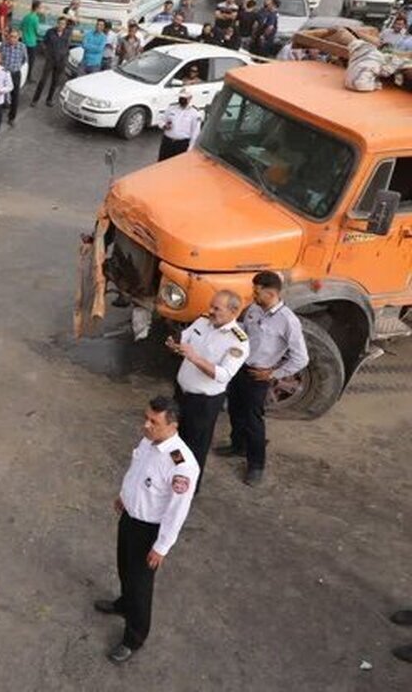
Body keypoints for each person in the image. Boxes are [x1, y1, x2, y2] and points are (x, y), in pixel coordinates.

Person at [94, 395, 198, 664]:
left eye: (154, 421)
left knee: (141, 585)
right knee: (124, 568)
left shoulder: (182, 465)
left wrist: (161, 546)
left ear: (173, 425)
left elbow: (177, 511)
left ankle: (134, 638)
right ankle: (123, 604)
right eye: (146, 418)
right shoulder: (149, 441)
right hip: (130, 517)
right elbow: (136, 473)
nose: (146, 425)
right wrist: (124, 496)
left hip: (149, 530)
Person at [219, 272, 308, 486]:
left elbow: (301, 358)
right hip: (240, 368)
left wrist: (273, 373)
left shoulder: (288, 321)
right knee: (235, 409)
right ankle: (237, 446)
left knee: (253, 421)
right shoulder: (255, 309)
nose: (253, 294)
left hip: (258, 375)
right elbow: (246, 332)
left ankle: (256, 466)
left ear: (271, 293)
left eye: (257, 291)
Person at [165, 290, 249, 483]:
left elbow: (223, 375)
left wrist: (195, 358)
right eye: (211, 306)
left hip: (203, 402)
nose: (210, 310)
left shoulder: (238, 341)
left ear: (233, 311)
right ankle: (172, 475)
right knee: (173, 439)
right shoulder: (202, 321)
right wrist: (174, 345)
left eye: (216, 308)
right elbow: (185, 339)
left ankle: (186, 488)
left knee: (194, 446)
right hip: (181, 394)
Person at [32, 17, 73, 107]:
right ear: (57, 23)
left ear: (65, 25)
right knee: (43, 80)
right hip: (50, 60)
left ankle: (49, 100)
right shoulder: (50, 32)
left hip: (61, 61)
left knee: (55, 81)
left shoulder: (67, 33)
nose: (61, 25)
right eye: (59, 23)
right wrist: (46, 53)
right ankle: (35, 100)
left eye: (63, 24)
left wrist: (65, 56)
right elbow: (43, 43)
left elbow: (67, 45)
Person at [157, 89, 202, 160]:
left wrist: (190, 148)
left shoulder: (195, 113)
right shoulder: (172, 108)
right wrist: (164, 125)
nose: (181, 100)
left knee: (175, 167)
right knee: (161, 163)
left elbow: (195, 133)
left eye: (184, 98)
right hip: (167, 142)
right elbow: (161, 120)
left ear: (190, 98)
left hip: (182, 144)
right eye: (180, 98)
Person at [1, 28, 29, 124]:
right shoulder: (3, 45)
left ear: (18, 38)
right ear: (8, 37)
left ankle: (11, 117)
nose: (12, 39)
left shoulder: (22, 47)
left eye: (15, 37)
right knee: (0, 93)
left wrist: (16, 67)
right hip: (4, 74)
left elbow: (24, 60)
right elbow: (0, 58)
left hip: (15, 74)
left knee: (15, 96)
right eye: (11, 36)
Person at [20, 0, 41, 81]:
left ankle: (23, 75)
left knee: (23, 60)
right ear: (37, 8)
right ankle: (29, 77)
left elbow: (21, 27)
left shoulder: (26, 16)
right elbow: (37, 31)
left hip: (24, 41)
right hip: (32, 42)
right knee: (31, 61)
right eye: (40, 7)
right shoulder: (36, 18)